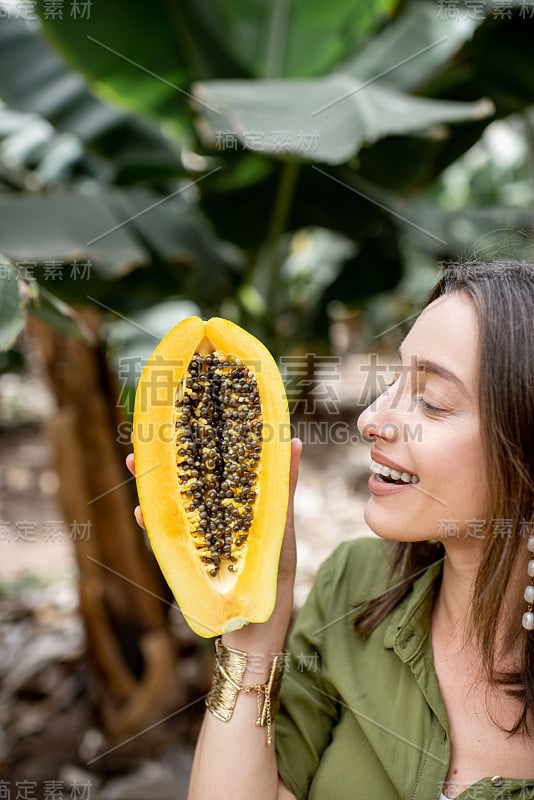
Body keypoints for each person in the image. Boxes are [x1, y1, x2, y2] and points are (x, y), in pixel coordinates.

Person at [127, 261, 534, 800]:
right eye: (393, 381)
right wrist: (252, 618)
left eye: (431, 401)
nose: (371, 418)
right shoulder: (356, 589)